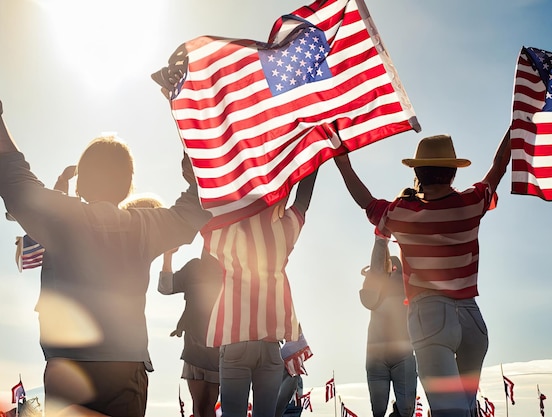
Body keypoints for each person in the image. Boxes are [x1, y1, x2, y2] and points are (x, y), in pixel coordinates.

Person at [0, 99, 214, 417]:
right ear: (128, 184)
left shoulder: (61, 217)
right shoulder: (146, 227)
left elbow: (14, 178)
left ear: (82, 181)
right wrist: (192, 143)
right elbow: (197, 203)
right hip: (126, 370)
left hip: (66, 366)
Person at [334, 130, 511, 417]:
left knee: (449, 412)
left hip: (430, 317)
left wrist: (344, 163)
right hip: (472, 320)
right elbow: (498, 166)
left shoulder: (402, 213)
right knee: (466, 410)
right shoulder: (472, 203)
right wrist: (514, 127)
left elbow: (365, 201)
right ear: (453, 172)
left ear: (417, 171)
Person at [200, 169, 318, 417]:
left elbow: (206, 212)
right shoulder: (282, 231)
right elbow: (302, 203)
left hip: (236, 339)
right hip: (270, 344)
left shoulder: (228, 233)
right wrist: (314, 157)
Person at [158, 247, 223, 417]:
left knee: (200, 406)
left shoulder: (195, 267)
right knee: (207, 406)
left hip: (197, 348)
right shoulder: (228, 271)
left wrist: (167, 256)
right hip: (215, 347)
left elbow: (166, 287)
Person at [360, 234, 417, 417]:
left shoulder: (409, 285)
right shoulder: (376, 285)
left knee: (406, 409)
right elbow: (376, 270)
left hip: (403, 354)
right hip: (377, 355)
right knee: (378, 409)